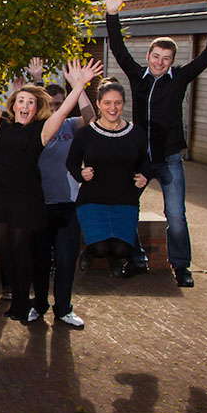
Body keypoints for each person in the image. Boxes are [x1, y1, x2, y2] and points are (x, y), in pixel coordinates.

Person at [0, 38, 102, 323]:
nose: (24, 105)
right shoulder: (1, 121)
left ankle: (23, 303)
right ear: (14, 104)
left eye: (30, 102)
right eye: (20, 100)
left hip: (27, 199)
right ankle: (17, 297)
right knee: (5, 251)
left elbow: (62, 112)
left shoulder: (41, 131)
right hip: (0, 197)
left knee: (21, 251)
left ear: (36, 108)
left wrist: (79, 86)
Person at [103, 0, 207, 287]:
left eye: (166, 58)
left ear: (172, 61)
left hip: (169, 159)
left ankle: (181, 266)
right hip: (139, 158)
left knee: (176, 215)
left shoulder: (180, 79)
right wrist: (112, 14)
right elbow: (118, 48)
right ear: (148, 55)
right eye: (156, 56)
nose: (160, 62)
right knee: (124, 207)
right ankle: (136, 259)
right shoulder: (137, 77)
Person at [27, 59, 97, 329]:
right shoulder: (35, 129)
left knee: (67, 261)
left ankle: (64, 308)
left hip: (68, 205)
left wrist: (79, 88)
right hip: (39, 205)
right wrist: (36, 79)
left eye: (60, 103)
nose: (57, 108)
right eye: (52, 104)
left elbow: (92, 120)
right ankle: (39, 304)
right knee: (40, 260)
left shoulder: (70, 127)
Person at [66, 78, 151, 276]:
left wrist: (145, 175)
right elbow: (71, 162)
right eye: (107, 103)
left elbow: (145, 162)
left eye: (117, 103)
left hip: (125, 199)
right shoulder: (86, 134)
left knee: (122, 249)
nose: (112, 108)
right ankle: (90, 252)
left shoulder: (136, 132)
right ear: (98, 104)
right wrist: (80, 174)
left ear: (123, 103)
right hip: (92, 200)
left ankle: (116, 259)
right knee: (100, 248)